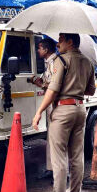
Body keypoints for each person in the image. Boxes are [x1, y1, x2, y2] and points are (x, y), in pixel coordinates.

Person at [32, 32, 96, 192]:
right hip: (80, 109)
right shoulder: (87, 62)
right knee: (77, 157)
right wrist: (76, 83)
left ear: (70, 42)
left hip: (63, 110)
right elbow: (91, 90)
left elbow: (52, 90)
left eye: (60, 40)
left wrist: (38, 113)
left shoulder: (62, 61)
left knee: (58, 156)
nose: (57, 44)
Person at [31, 38, 57, 179]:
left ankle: (58, 172)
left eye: (40, 48)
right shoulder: (48, 63)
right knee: (50, 137)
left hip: (54, 104)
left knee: (56, 138)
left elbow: (53, 86)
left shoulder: (54, 63)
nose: (38, 50)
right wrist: (38, 82)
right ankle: (50, 168)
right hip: (51, 104)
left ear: (46, 50)